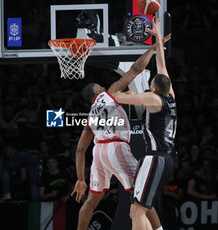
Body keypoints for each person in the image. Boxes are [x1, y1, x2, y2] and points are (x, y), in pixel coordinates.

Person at [71, 29, 171, 229]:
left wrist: (80, 179)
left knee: (90, 202)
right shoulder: (110, 93)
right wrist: (151, 49)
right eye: (100, 85)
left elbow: (81, 149)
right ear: (98, 90)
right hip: (116, 148)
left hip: (98, 152)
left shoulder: (90, 115)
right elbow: (135, 69)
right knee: (142, 193)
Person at [114, 18, 177, 230]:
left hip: (155, 158)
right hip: (165, 159)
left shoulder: (154, 98)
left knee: (138, 210)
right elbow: (162, 65)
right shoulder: (170, 96)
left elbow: (118, 97)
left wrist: (125, 93)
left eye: (151, 84)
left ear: (155, 89)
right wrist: (158, 40)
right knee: (139, 208)